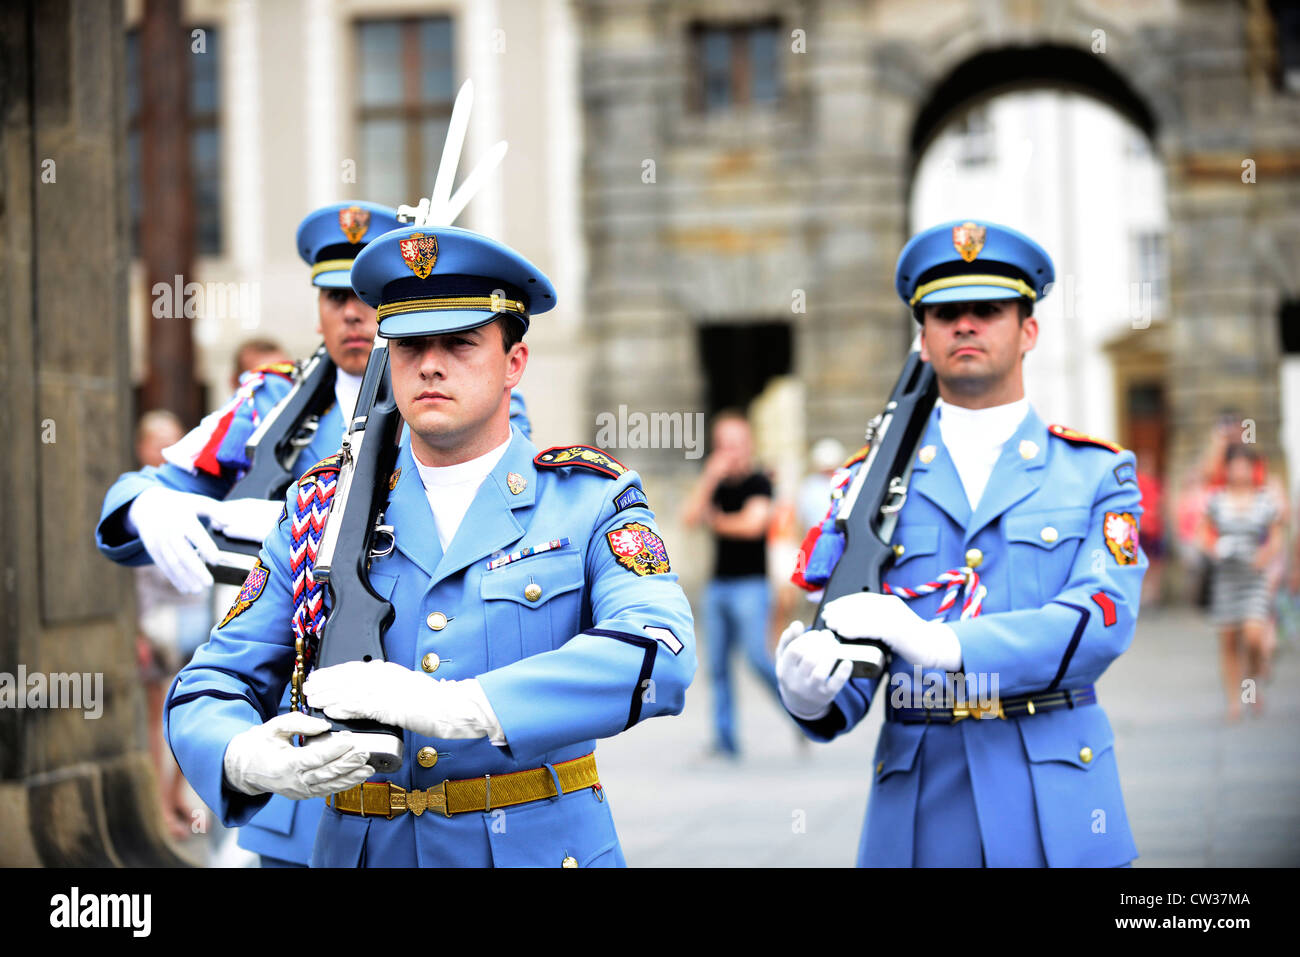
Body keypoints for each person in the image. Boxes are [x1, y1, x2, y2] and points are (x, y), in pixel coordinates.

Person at [163, 225, 696, 867]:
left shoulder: (588, 500)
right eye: (411, 344)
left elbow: (660, 651)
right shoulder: (321, 510)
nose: (431, 363)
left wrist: (464, 707)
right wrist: (244, 757)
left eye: (460, 343)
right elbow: (211, 682)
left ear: (513, 363)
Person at [779, 220, 1146, 867]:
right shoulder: (868, 483)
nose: (966, 324)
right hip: (922, 814)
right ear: (923, 337)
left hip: (1056, 806)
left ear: (1028, 329)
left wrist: (946, 644)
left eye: (988, 309)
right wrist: (815, 693)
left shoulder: (1097, 471)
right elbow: (855, 658)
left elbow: (1101, 621)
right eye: (946, 312)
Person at [96, 201, 404, 867]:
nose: (352, 312)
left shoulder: (438, 397)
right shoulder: (271, 404)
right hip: (288, 728)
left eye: (367, 295)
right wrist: (148, 505)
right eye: (334, 295)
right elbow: (146, 485)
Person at [132, 410, 215, 840]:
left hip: (197, 615)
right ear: (141, 446)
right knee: (158, 720)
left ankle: (177, 795)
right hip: (156, 622)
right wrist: (138, 633)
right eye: (156, 440)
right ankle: (160, 808)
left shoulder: (191, 488)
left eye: (173, 440)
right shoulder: (135, 500)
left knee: (191, 713)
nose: (165, 449)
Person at [682, 411, 779, 757]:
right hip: (718, 586)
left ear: (749, 444)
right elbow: (690, 518)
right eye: (724, 444)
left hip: (752, 586)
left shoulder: (760, 482)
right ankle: (726, 740)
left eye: (736, 443)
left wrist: (718, 520)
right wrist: (709, 479)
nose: (731, 451)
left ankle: (802, 714)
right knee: (718, 667)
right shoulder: (716, 484)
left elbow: (753, 526)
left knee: (757, 658)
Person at [1198, 444, 1284, 720]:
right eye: (1234, 465)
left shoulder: (1264, 500)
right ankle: (1236, 701)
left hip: (1253, 578)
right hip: (1226, 578)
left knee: (1253, 638)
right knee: (1229, 642)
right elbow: (1201, 532)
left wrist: (1265, 556)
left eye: (1245, 465)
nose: (1239, 470)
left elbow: (1277, 536)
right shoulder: (1218, 499)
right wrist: (1214, 549)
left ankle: (1254, 677)